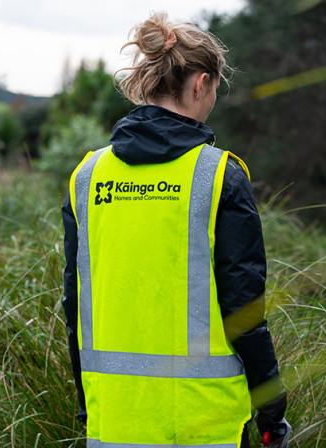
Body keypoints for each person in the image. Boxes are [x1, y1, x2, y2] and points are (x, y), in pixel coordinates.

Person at [61, 11, 289, 448]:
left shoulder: (87, 177)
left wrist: (87, 402)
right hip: (207, 426)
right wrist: (271, 407)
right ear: (201, 83)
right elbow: (243, 308)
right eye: (215, 90)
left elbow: (75, 306)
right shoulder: (219, 175)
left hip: (113, 423)